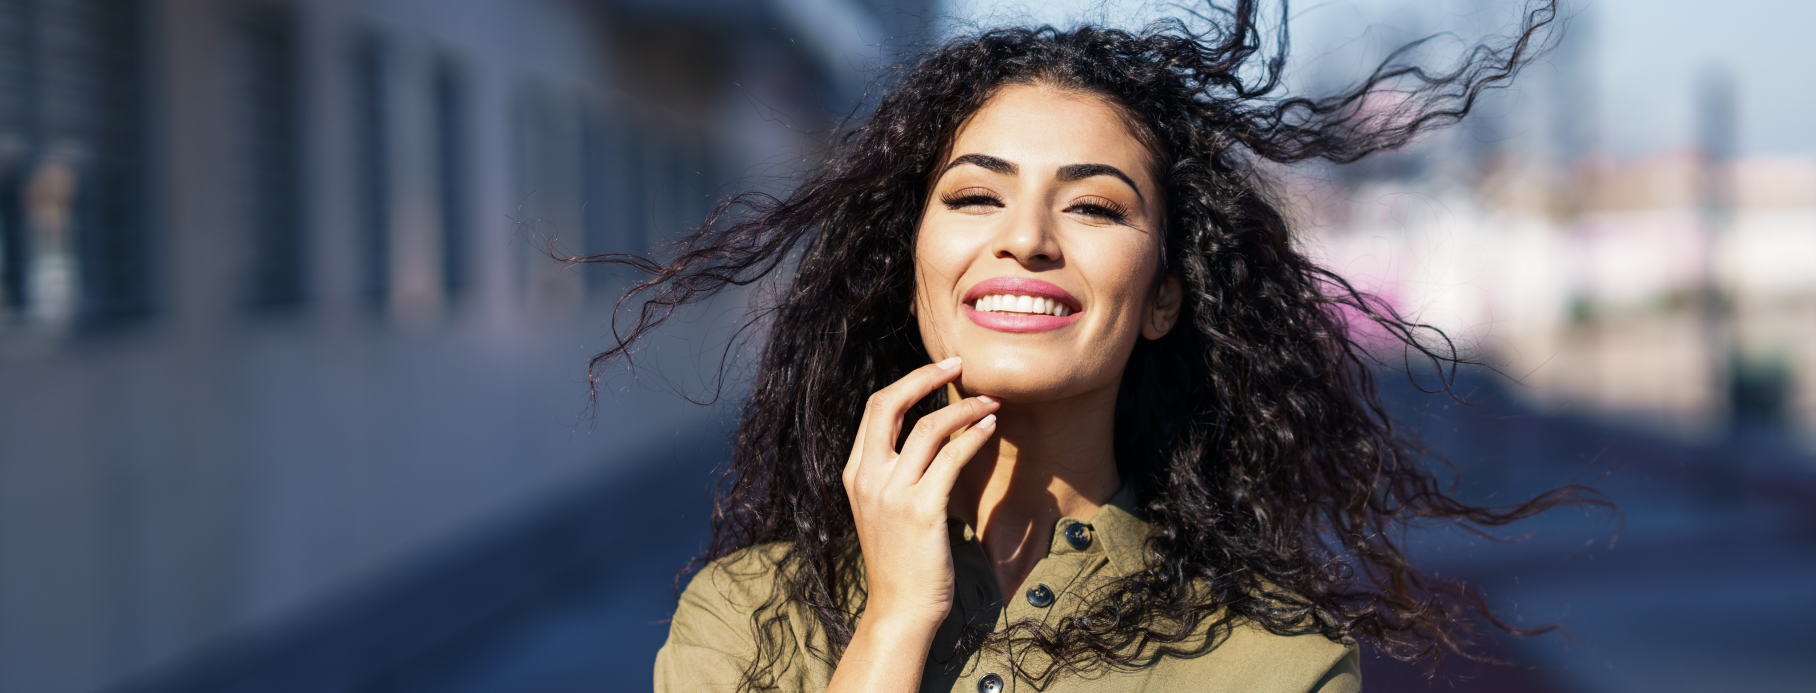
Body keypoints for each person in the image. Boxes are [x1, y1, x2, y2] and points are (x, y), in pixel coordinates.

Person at [588, 1, 1591, 690]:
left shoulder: (1272, 656)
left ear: (1162, 298)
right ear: (913, 266)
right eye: (977, 195)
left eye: (1095, 206)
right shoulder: (744, 613)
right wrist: (894, 620)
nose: (1025, 239)